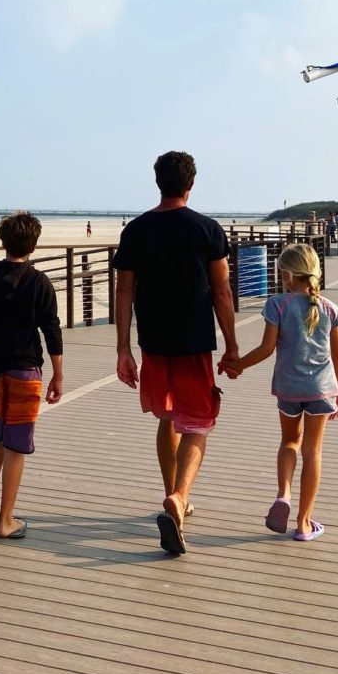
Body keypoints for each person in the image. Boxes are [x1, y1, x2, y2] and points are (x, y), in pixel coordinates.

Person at [113, 150, 237, 555]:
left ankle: (171, 492)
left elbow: (124, 291)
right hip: (195, 341)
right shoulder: (207, 230)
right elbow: (221, 291)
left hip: (153, 342)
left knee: (167, 417)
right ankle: (180, 498)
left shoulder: (136, 230)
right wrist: (232, 345)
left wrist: (123, 349)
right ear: (191, 183)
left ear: (157, 182)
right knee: (197, 423)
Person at [221, 244, 338, 542]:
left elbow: (266, 349)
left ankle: (284, 494)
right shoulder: (330, 308)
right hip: (322, 389)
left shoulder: (277, 304)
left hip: (289, 389)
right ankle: (303, 524)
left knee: (290, 441)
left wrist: (237, 366)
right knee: (313, 451)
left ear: (288, 275)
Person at [0, 212, 62, 541]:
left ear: (2, 241)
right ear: (34, 244)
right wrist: (58, 374)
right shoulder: (39, 282)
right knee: (17, 443)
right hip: (25, 368)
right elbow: (51, 331)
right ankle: (6, 519)